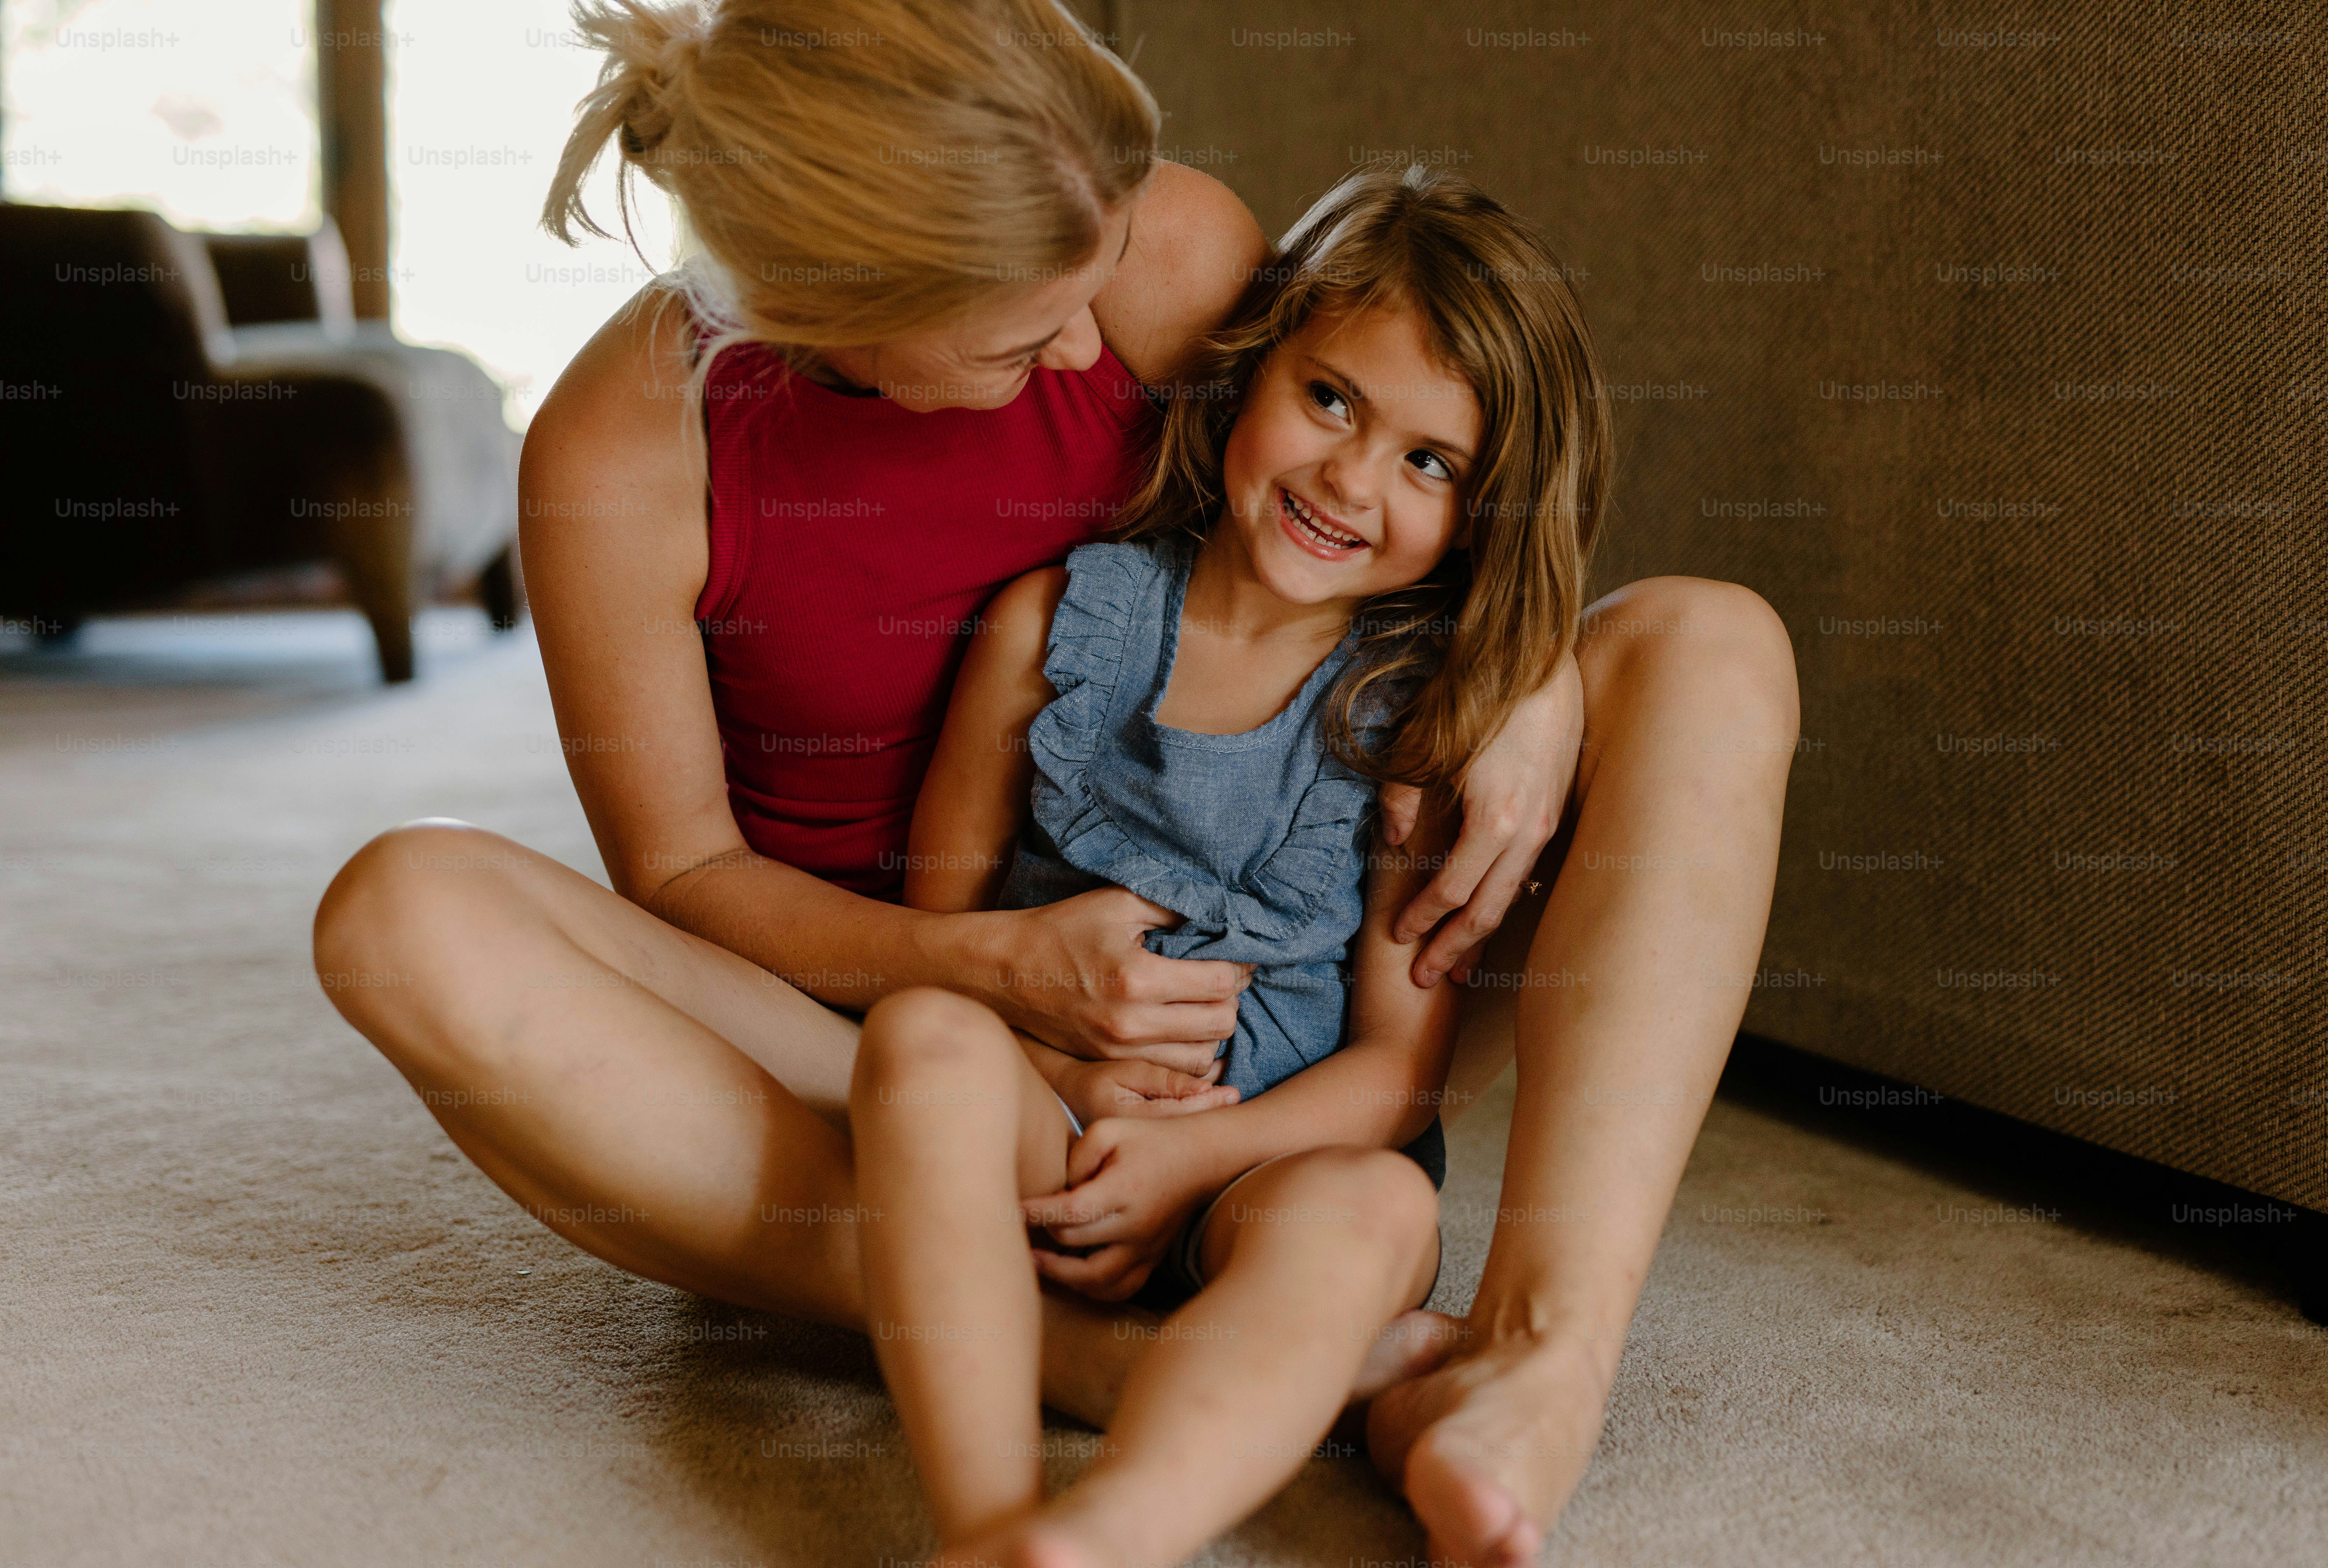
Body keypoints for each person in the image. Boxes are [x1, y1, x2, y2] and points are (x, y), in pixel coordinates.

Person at [310, 4, 1798, 1564]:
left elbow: (1404, 472)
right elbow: (682, 883)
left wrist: (1530, 677)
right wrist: (987, 970)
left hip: (1282, 1019)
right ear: (836, 299)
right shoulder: (620, 453)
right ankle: (1092, 1359)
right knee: (402, 907)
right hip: (886, 1033)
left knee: (1713, 642)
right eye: (1031, 336)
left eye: (1101, 290)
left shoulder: (1152, 249)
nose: (1094, 351)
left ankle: (1540, 1361)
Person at [851, 163, 1601, 1566]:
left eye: (1429, 463)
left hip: (1275, 1154)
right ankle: (989, 1524)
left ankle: (1110, 1536)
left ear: (1483, 508)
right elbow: (940, 937)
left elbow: (1397, 1073)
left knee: (1380, 1207)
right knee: (917, 1042)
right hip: (1052, 1116)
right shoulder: (1052, 625)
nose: (1350, 479)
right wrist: (1068, 1086)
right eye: (1333, 400)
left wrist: (1198, 1152)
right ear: (1254, 372)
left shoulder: (1414, 720)